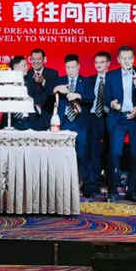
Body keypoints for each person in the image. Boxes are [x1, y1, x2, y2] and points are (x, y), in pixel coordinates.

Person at [104, 46, 136, 202]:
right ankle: (112, 190)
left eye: (130, 58)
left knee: (135, 155)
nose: (127, 61)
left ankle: (132, 190)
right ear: (118, 60)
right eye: (124, 58)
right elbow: (106, 97)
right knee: (115, 154)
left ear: (134, 59)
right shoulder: (111, 75)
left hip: (135, 119)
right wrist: (112, 104)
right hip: (118, 118)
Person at [54, 54, 94, 193]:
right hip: (64, 122)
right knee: (62, 155)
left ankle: (86, 186)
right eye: (68, 67)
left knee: (82, 155)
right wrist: (56, 89)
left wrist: (79, 96)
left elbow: (92, 98)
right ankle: (62, 186)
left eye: (73, 67)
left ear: (78, 67)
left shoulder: (86, 81)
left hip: (80, 123)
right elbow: (48, 95)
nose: (70, 70)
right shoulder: (60, 80)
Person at [86, 51, 111, 198]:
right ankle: (92, 185)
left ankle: (110, 186)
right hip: (93, 118)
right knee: (93, 153)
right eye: (96, 62)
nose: (99, 65)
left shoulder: (114, 79)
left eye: (102, 62)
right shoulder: (90, 80)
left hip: (109, 118)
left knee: (109, 153)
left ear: (108, 64)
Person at [26, 48, 59, 130]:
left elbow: (53, 92)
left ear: (44, 60)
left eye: (39, 59)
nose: (36, 61)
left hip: (47, 117)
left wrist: (44, 82)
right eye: (33, 59)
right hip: (30, 118)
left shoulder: (53, 73)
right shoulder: (27, 74)